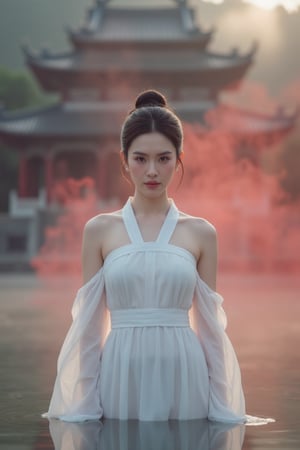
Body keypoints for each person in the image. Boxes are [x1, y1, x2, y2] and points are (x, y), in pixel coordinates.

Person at [43, 89, 247, 423]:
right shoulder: (99, 230)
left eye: (163, 158)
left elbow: (211, 327)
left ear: (178, 158)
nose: (152, 170)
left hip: (185, 371)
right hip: (120, 371)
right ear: (124, 159)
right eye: (141, 159)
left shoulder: (201, 233)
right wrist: (85, 404)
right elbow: (90, 329)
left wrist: (221, 406)